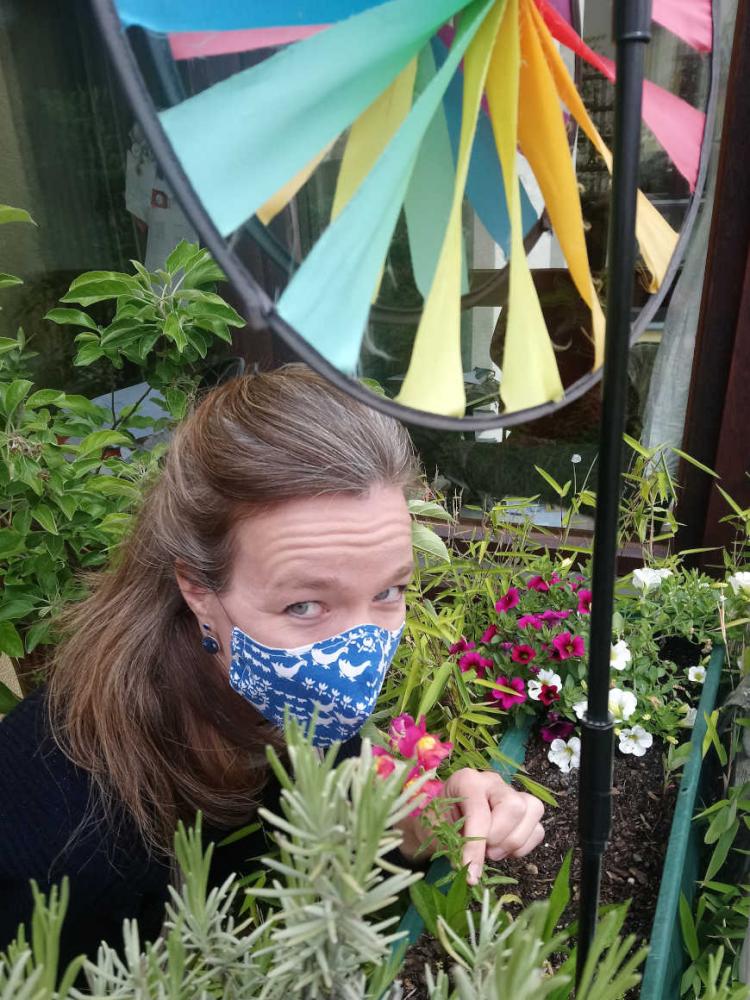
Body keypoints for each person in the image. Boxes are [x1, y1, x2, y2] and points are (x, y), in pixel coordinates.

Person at [0, 364, 543, 965]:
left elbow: (336, 845)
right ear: (198, 591)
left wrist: (427, 818)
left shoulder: (281, 699)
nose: (357, 656)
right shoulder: (57, 840)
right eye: (305, 604)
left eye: (388, 592)